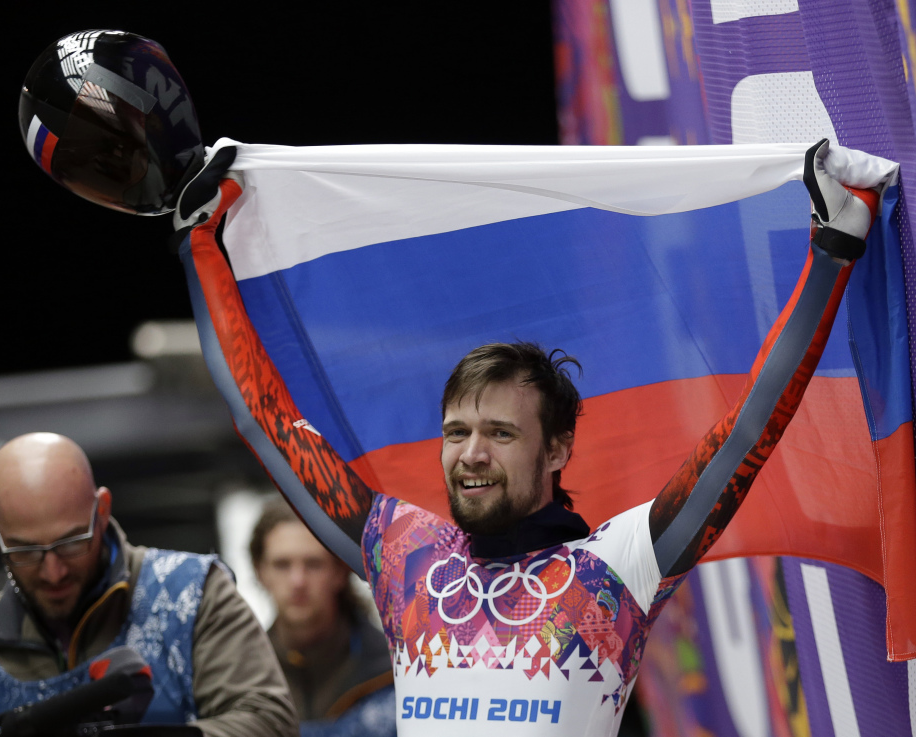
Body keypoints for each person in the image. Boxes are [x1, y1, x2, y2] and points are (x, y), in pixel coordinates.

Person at [179, 138, 879, 737]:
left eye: (499, 432)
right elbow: (265, 422)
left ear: (556, 449)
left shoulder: (618, 567)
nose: (470, 454)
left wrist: (833, 250)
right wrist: (201, 244)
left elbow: (747, 430)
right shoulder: (407, 560)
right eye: (456, 431)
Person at [0, 432, 298, 736]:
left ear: (101, 511)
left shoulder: (190, 594)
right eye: (25, 551)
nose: (53, 571)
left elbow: (270, 722)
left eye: (71, 543)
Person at [250, 497, 394, 730]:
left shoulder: (393, 674)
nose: (298, 581)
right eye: (282, 564)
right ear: (260, 572)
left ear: (340, 572)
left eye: (313, 564)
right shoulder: (239, 677)